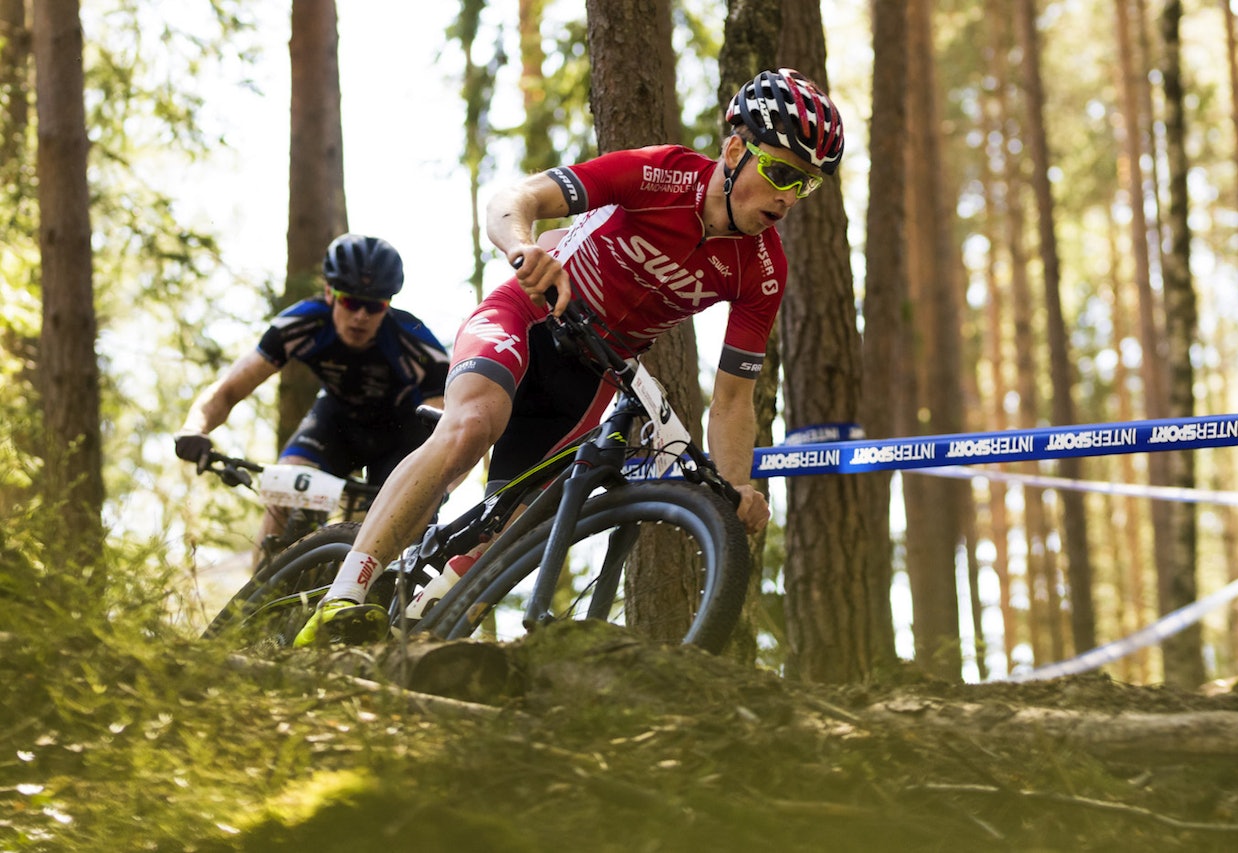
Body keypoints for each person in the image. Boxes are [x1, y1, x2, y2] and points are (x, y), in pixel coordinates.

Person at [294, 68, 845, 646]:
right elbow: (515, 198)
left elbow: (733, 398)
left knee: (511, 537)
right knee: (472, 426)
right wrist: (524, 247)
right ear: (735, 149)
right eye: (782, 171)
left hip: (591, 378)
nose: (788, 196)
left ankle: (412, 643)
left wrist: (733, 496)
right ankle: (344, 594)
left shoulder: (763, 269)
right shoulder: (658, 173)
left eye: (807, 185)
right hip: (529, 317)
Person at [175, 233, 452, 578]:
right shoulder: (301, 324)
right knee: (286, 483)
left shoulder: (416, 343)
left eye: (375, 305)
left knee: (381, 530)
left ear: (388, 305)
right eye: (351, 302)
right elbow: (229, 389)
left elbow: (449, 427)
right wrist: (194, 428)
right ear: (329, 293)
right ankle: (255, 605)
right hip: (336, 424)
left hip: (401, 437)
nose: (361, 316)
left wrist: (441, 485)